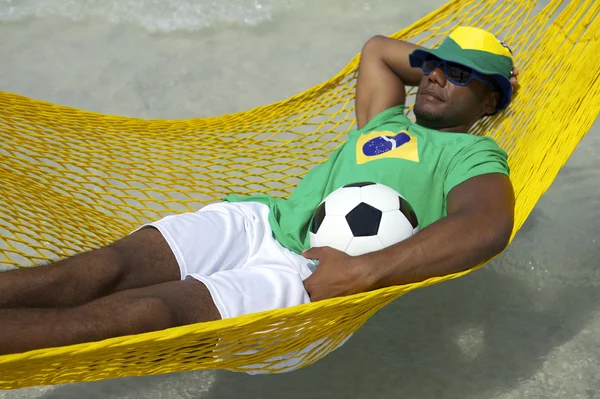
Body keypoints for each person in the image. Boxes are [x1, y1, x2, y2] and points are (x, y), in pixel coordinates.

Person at [0, 26, 519, 355]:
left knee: (147, 314)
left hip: (310, 274)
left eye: (457, 74)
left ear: (489, 100)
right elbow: (379, 50)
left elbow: (486, 225)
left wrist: (361, 272)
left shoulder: (470, 155)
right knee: (97, 270)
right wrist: (451, 66)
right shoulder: (381, 118)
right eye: (432, 65)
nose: (433, 78)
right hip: (257, 222)